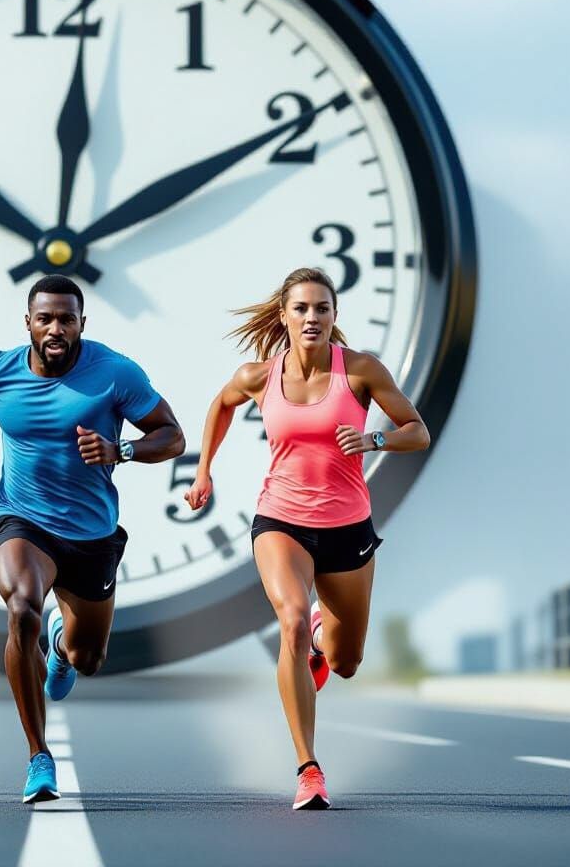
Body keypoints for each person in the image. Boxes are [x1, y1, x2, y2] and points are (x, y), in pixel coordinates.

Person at [185, 267, 429, 811]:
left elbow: (418, 431)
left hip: (348, 529)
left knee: (345, 662)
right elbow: (221, 404)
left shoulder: (360, 370)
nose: (312, 317)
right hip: (281, 521)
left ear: (335, 315)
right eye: (301, 308)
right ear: (284, 316)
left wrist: (374, 439)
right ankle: (308, 770)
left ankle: (322, 638)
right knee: (290, 622)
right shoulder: (259, 376)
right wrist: (204, 472)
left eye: (322, 308)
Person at [0, 275, 185, 803]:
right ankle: (37, 756)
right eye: (45, 319)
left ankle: (62, 648)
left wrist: (122, 451)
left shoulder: (114, 373)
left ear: (81, 324)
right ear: (27, 322)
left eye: (66, 320)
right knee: (21, 607)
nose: (55, 329)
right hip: (21, 519)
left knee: (88, 656)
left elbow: (172, 436)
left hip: (91, 533)